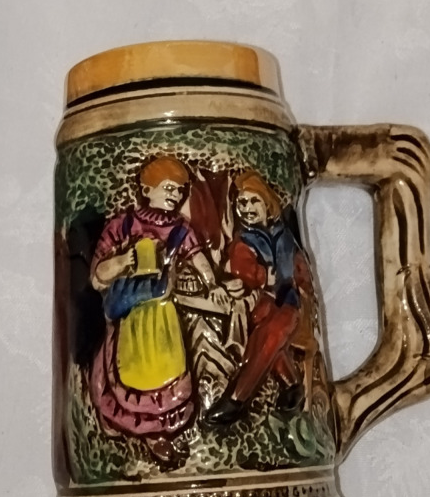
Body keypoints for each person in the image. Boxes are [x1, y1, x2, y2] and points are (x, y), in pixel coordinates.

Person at [89, 157, 226, 468]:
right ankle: (124, 424)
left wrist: (213, 284)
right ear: (146, 188)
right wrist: (124, 261)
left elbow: (199, 259)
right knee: (123, 372)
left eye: (179, 191)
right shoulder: (122, 225)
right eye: (168, 188)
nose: (175, 196)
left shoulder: (180, 229)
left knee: (165, 371)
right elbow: (98, 275)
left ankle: (156, 432)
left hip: (163, 317)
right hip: (128, 315)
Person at [205, 171, 312, 426]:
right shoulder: (244, 240)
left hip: (289, 303)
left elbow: (300, 270)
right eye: (242, 203)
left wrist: (302, 285)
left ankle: (236, 398)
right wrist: (263, 276)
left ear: (267, 203)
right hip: (259, 304)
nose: (247, 208)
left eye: (254, 201)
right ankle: (292, 385)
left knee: (272, 332)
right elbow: (241, 268)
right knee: (266, 332)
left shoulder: (285, 237)